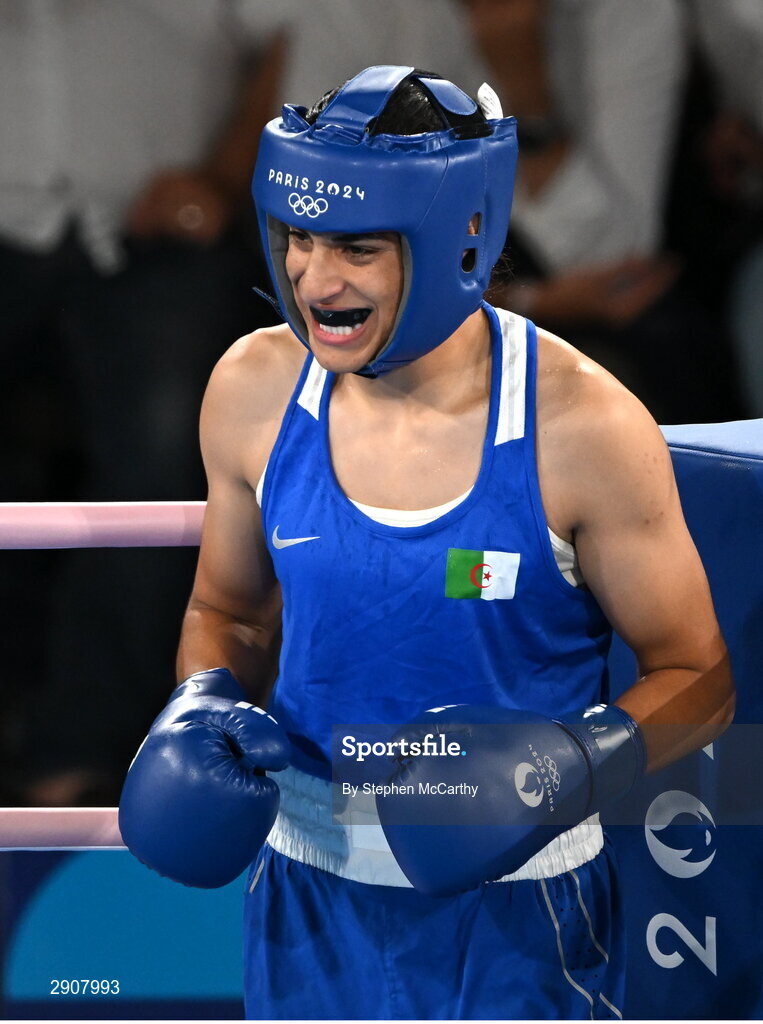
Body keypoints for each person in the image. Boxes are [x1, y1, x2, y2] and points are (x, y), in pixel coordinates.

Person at [119, 67, 735, 1019]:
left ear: (461, 238)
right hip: (306, 901)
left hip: (518, 922)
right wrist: (200, 701)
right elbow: (226, 612)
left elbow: (698, 676)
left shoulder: (583, 427)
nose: (315, 281)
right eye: (298, 238)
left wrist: (566, 764)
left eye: (357, 247)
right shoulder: (253, 387)